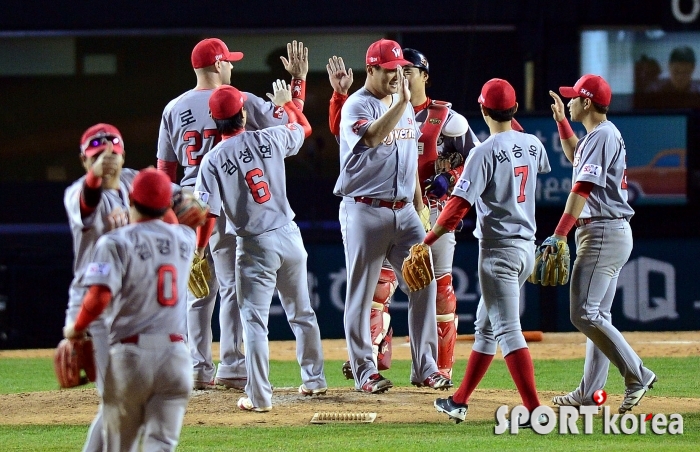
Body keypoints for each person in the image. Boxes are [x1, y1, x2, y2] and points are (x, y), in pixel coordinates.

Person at [156, 37, 309, 390]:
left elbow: (164, 171)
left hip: (186, 204)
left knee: (197, 291)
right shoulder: (240, 100)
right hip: (225, 201)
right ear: (217, 65)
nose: (232, 66)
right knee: (230, 288)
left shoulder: (173, 108)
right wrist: (297, 82)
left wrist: (169, 219)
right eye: (229, 61)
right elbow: (292, 121)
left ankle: (196, 368)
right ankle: (232, 366)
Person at [327, 49, 481, 379]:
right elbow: (373, 136)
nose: (397, 75)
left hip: (406, 210)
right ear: (371, 69)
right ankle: (365, 372)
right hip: (366, 208)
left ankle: (426, 368)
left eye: (401, 69)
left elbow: (410, 162)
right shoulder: (358, 104)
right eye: (389, 69)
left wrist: (420, 207)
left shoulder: (409, 107)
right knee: (364, 293)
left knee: (423, 283)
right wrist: (400, 104)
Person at [194, 82, 327, 412]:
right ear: (243, 112)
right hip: (289, 233)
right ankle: (315, 380)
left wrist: (198, 251)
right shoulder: (268, 136)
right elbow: (305, 128)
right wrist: (288, 104)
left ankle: (259, 397)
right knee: (303, 312)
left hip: (254, 244)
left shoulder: (211, 161)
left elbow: (207, 215)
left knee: (254, 321)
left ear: (213, 119)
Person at [433, 78, 550, 425]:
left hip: (499, 254)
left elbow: (457, 207)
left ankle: (534, 410)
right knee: (486, 327)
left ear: (483, 109)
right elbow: (519, 143)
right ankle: (458, 401)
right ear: (514, 110)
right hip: (526, 250)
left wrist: (426, 242)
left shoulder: (480, 153)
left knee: (508, 330)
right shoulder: (533, 144)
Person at [63, 168, 197, 451]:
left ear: (131, 200)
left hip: (131, 358)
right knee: (160, 444)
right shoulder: (186, 237)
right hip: (177, 359)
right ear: (166, 205)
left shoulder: (114, 241)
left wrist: (75, 329)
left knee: (117, 446)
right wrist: (195, 209)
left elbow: (98, 297)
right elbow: (196, 219)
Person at [546, 74, 657, 414]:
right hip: (608, 231)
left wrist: (560, 232)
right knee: (597, 314)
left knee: (583, 313)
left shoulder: (603, 134)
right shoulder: (598, 135)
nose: (570, 102)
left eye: (573, 99)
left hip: (602, 232)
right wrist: (563, 122)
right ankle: (589, 392)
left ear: (588, 102)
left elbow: (581, 188)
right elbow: (574, 155)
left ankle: (637, 375)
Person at [63, 123, 136, 452]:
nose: (107, 159)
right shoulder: (77, 191)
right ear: (83, 160)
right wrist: (94, 176)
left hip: (131, 303)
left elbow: (182, 197)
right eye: (97, 155)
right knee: (116, 400)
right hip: (94, 302)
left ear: (124, 155)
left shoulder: (134, 181)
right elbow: (87, 202)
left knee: (127, 399)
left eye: (113, 153)